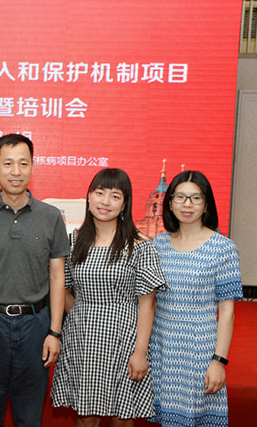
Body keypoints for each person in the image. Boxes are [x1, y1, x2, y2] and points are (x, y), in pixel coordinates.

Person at [0, 133, 69, 427]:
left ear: (33, 166)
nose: (16, 171)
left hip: (35, 326)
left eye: (23, 163)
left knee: (30, 417)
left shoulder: (51, 217)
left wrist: (54, 332)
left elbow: (57, 277)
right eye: (7, 163)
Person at [50, 168, 168, 427]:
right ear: (89, 197)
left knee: (122, 417)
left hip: (125, 339)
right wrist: (86, 313)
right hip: (82, 339)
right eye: (100, 193)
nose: (105, 201)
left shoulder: (140, 244)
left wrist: (140, 353)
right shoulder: (73, 241)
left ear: (125, 204)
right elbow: (63, 290)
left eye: (115, 196)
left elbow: (147, 304)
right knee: (86, 416)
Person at [148, 170, 242, 427]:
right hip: (162, 346)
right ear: (169, 203)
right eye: (180, 197)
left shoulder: (223, 247)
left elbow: (227, 312)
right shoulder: (159, 244)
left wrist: (219, 361)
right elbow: (149, 302)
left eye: (196, 198)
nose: (187, 204)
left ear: (206, 204)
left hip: (199, 348)